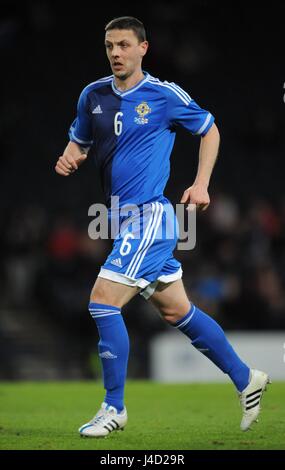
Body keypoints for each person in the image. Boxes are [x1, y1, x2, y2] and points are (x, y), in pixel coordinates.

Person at [55, 16, 270, 437]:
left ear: (143, 49)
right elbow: (79, 140)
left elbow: (209, 131)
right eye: (109, 46)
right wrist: (70, 156)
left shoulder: (163, 95)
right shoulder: (93, 95)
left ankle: (113, 408)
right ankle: (247, 379)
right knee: (178, 311)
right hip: (119, 220)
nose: (115, 53)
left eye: (123, 45)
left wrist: (202, 183)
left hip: (150, 216)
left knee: (102, 302)